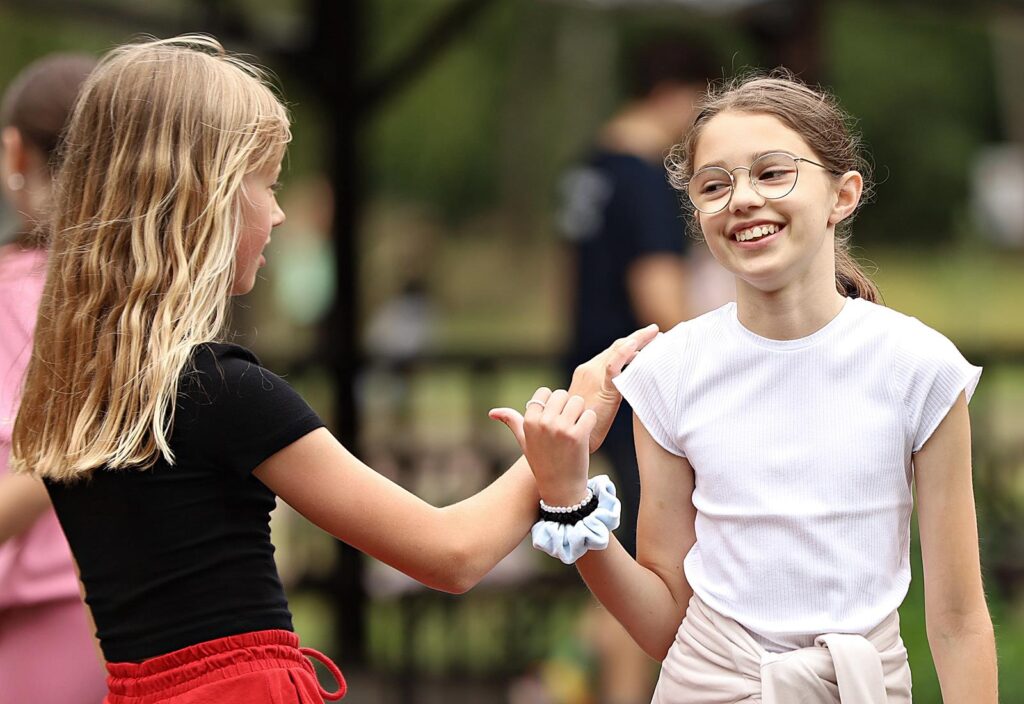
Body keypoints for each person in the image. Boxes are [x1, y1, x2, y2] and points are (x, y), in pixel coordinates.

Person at [8, 35, 658, 704]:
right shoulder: (224, 392)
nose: (281, 212)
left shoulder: (72, 394)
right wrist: (569, 427)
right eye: (266, 182)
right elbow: (452, 554)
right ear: (205, 200)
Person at [501, 72, 998, 703]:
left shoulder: (919, 367)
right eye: (714, 185)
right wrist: (569, 500)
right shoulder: (668, 372)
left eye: (771, 173)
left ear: (842, 195)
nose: (741, 199)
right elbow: (664, 627)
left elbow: (957, 620)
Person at [556, 38, 722, 703]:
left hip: (587, 378)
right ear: (677, 93)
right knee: (645, 562)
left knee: (606, 549)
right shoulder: (646, 177)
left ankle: (553, 681)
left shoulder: (588, 169)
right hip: (641, 389)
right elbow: (659, 295)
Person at [0, 53, 106, 704]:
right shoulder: (130, 296)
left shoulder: (12, 294)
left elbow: (53, 455)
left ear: (16, 153)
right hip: (112, 599)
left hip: (35, 612)